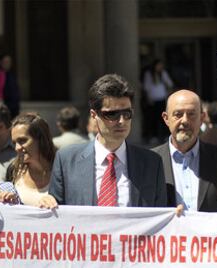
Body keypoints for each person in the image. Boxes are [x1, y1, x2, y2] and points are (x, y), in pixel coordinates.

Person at [41, 74, 167, 208]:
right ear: (94, 115)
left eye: (127, 113)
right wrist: (45, 205)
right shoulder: (66, 160)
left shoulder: (152, 163)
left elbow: (160, 217)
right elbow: (56, 216)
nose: (122, 121)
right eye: (112, 114)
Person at [152, 90, 217, 212]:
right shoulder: (150, 162)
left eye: (191, 114)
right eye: (178, 114)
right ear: (166, 118)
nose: (185, 121)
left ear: (202, 118)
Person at [9, 112, 56, 206]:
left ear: (41, 139)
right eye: (14, 143)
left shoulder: (62, 170)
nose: (17, 148)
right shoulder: (13, 170)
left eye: (22, 140)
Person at [143, 59, 174, 144]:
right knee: (153, 118)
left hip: (162, 99)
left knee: (163, 119)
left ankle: (164, 136)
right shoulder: (148, 74)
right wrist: (148, 98)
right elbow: (146, 87)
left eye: (161, 65)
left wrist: (168, 93)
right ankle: (154, 136)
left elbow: (170, 84)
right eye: (158, 65)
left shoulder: (163, 73)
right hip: (153, 99)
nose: (160, 67)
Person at [0, 54, 20, 119]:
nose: (7, 64)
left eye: (9, 62)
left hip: (14, 108)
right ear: (1, 63)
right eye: (5, 62)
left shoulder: (12, 74)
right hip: (3, 108)